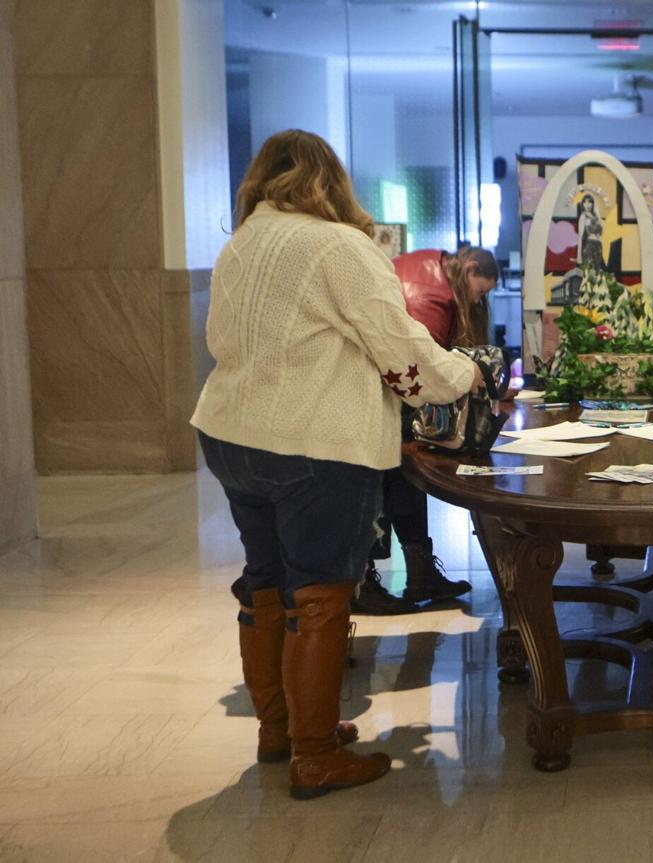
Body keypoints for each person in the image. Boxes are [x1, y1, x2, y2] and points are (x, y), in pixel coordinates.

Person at [191, 129, 482, 799]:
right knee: (320, 593)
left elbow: (218, 338)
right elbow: (400, 348)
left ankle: (281, 729)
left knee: (265, 582)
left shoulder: (242, 244)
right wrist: (462, 375)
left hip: (233, 435)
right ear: (331, 180)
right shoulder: (339, 246)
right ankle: (315, 754)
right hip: (313, 444)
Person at [351, 246, 499, 615]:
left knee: (404, 472)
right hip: (374, 395)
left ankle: (418, 572)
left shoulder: (433, 261)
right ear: (470, 268)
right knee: (391, 477)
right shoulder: (430, 298)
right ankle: (363, 582)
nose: (479, 300)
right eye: (481, 290)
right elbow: (417, 364)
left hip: (371, 390)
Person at [577, 193, 605, 271]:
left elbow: (601, 231)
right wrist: (579, 256)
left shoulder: (596, 217)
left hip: (598, 246)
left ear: (593, 204)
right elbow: (580, 237)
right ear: (582, 204)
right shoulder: (583, 217)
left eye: (590, 202)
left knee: (597, 273)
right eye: (585, 202)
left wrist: (598, 215)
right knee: (589, 274)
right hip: (589, 246)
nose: (587, 205)